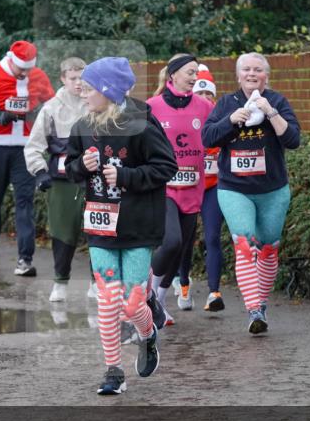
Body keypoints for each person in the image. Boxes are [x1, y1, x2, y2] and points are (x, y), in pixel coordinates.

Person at [64, 57, 177, 396]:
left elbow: (166, 166)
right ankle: (114, 371)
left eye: (89, 88)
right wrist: (81, 166)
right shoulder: (82, 125)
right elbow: (69, 167)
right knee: (108, 299)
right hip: (100, 225)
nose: (83, 93)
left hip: (138, 225)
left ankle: (147, 333)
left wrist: (126, 176)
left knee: (131, 304)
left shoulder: (141, 124)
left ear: (108, 91)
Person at [202, 52, 301, 334]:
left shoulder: (277, 101)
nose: (251, 74)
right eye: (246, 69)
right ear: (238, 75)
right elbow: (207, 138)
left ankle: (262, 304)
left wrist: (270, 112)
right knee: (245, 243)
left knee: (268, 248)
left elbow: (293, 140)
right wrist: (230, 120)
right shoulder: (226, 104)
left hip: (273, 190)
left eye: (257, 69)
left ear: (266, 75)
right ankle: (254, 309)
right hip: (234, 189)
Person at [0, 40, 55, 275]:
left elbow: (53, 104)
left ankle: (25, 260)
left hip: (25, 148)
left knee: (24, 202)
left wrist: (42, 117)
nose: (24, 73)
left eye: (28, 69)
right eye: (21, 69)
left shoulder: (38, 76)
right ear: (11, 60)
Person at [145, 54, 213, 329]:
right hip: (163, 188)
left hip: (192, 187)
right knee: (171, 241)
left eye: (197, 72)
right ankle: (146, 293)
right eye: (190, 72)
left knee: (181, 248)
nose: (195, 77)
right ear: (172, 75)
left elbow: (217, 133)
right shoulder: (152, 106)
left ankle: (159, 303)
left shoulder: (204, 106)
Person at [24, 57, 92, 303]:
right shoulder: (51, 108)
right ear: (63, 79)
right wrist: (40, 171)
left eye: (82, 78)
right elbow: (33, 146)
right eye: (73, 78)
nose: (78, 83)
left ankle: (97, 282)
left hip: (92, 178)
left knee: (98, 230)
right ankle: (60, 281)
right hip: (62, 180)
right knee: (63, 232)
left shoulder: (96, 103)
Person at [176, 63, 226, 312]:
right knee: (184, 240)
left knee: (212, 237)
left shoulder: (222, 118)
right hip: (187, 186)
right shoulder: (183, 118)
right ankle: (183, 284)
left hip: (212, 187)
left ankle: (214, 292)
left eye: (209, 93)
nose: (205, 97)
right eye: (200, 93)